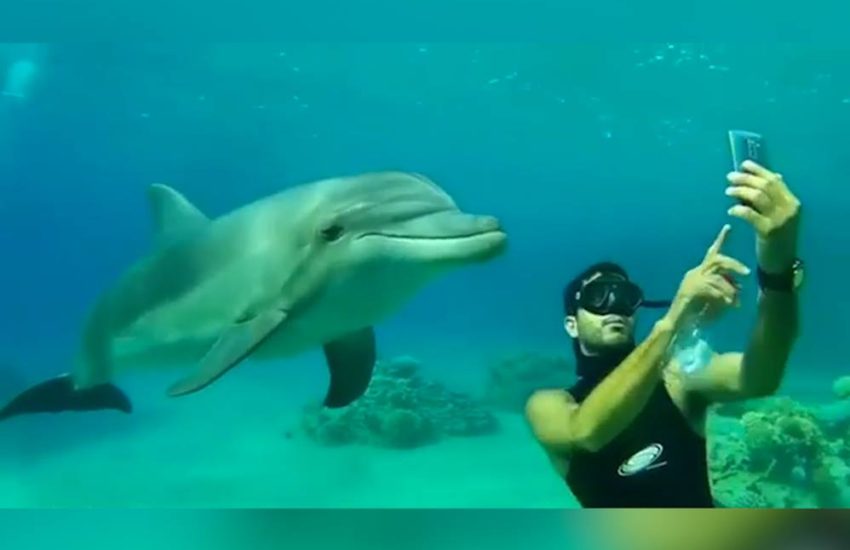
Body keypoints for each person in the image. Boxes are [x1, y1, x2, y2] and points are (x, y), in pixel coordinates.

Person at [524, 159, 804, 507]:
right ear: (571, 324)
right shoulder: (550, 404)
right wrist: (675, 317)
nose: (614, 307)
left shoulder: (677, 378)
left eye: (626, 298)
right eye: (598, 297)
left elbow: (761, 375)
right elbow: (587, 433)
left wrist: (776, 269)